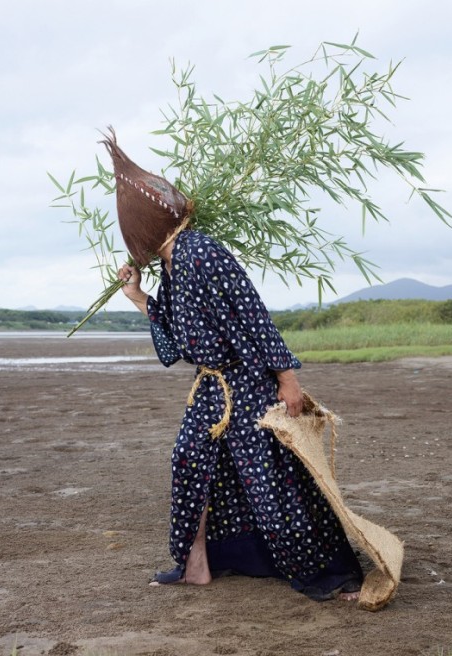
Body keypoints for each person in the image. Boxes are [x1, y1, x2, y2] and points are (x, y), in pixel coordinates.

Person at [104, 130, 363, 601]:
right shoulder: (173, 266)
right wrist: (140, 296)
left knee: (267, 480)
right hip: (211, 388)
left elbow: (253, 314)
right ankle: (196, 565)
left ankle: (328, 571)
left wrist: (288, 379)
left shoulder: (201, 252)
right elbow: (181, 340)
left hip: (247, 383)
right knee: (189, 461)